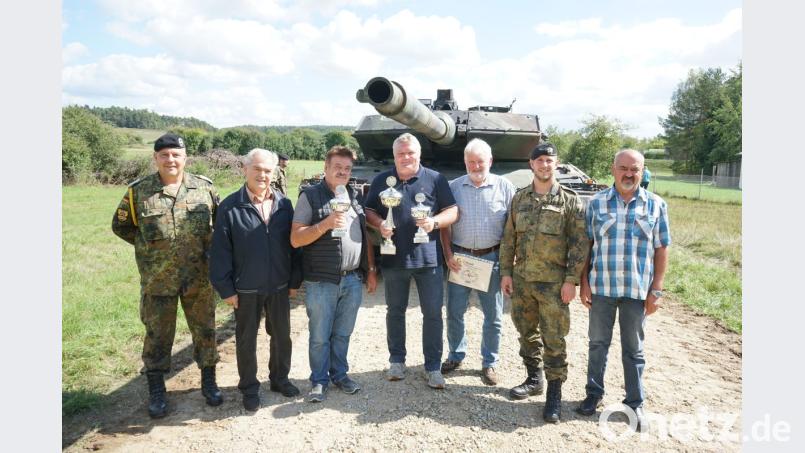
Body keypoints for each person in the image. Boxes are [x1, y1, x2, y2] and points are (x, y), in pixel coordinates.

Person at [112, 132, 223, 419]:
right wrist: (151, 253)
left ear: (185, 158)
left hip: (199, 279)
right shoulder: (138, 192)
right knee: (157, 336)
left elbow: (220, 228)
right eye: (164, 155)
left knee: (205, 331)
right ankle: (157, 391)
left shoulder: (205, 189)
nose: (170, 160)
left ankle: (209, 383)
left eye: (176, 154)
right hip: (158, 281)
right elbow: (122, 227)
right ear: (155, 158)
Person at [575, 149, 671, 433]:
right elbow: (587, 246)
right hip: (602, 288)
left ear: (642, 171)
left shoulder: (656, 205)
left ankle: (635, 403)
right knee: (597, 344)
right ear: (613, 169)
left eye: (635, 169)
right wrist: (584, 283)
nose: (629, 174)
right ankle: (593, 394)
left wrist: (657, 290)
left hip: (637, 291)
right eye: (623, 168)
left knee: (634, 350)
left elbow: (662, 247)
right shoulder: (595, 203)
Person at [499, 142, 588, 423]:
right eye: (539, 161)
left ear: (556, 164)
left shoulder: (570, 200)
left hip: (553, 285)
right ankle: (533, 377)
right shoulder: (520, 198)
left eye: (549, 161)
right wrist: (506, 273)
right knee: (526, 333)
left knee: (554, 339)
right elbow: (509, 238)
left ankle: (554, 393)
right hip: (523, 281)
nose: (544, 165)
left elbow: (579, 244)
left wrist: (571, 281)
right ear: (531, 165)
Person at [209, 148, 302, 412]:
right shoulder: (230, 206)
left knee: (282, 336)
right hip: (245, 287)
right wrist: (226, 288)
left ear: (275, 173)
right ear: (245, 170)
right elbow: (219, 252)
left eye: (267, 170)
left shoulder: (284, 204)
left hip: (280, 285)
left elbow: (294, 246)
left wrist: (294, 281)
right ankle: (249, 388)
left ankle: (279, 379)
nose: (262, 175)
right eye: (257, 169)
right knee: (246, 340)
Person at [364, 133, 458, 389]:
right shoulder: (382, 180)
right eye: (400, 154)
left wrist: (434, 222)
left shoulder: (435, 178)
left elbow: (452, 210)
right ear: (394, 156)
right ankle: (396, 361)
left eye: (410, 153)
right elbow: (369, 210)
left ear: (418, 154)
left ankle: (433, 367)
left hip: (428, 260)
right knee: (395, 312)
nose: (405, 158)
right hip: (393, 257)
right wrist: (380, 223)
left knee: (433, 314)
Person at [290, 146, 378, 403]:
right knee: (319, 335)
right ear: (326, 168)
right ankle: (319, 380)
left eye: (347, 168)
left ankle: (339, 374)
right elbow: (296, 238)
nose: (342, 172)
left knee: (343, 332)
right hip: (321, 280)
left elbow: (364, 236)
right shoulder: (310, 196)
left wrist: (371, 270)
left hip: (352, 279)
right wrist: (325, 224)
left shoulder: (352, 195)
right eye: (337, 167)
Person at [439, 138, 516, 386]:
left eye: (480, 161)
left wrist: (507, 263)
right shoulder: (453, 187)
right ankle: (456, 354)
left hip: (492, 258)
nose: (475, 166)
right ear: (465, 162)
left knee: (493, 315)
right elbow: (445, 225)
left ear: (490, 161)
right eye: (470, 161)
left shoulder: (505, 188)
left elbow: (512, 229)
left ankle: (489, 362)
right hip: (460, 259)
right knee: (454, 311)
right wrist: (448, 255)